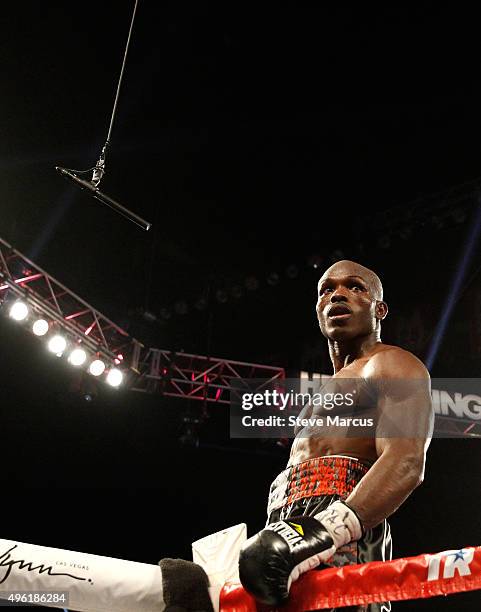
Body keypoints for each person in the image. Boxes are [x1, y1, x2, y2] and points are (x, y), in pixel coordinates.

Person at [239, 260, 434, 612]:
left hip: (343, 527)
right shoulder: (319, 395)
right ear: (317, 310)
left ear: (380, 308)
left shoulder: (392, 364)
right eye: (327, 289)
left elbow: (406, 461)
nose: (338, 294)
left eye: (355, 286)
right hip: (286, 524)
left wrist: (327, 529)